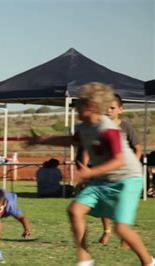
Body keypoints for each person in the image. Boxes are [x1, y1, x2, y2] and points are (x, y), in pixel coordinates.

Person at [27, 82, 153, 266]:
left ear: (91, 106)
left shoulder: (108, 129)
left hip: (127, 180)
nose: (75, 106)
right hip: (104, 179)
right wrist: (41, 140)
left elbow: (119, 160)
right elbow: (72, 140)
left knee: (121, 228)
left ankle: (148, 261)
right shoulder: (85, 127)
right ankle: (84, 257)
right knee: (75, 210)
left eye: (79, 103)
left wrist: (91, 171)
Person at [98, 93, 143, 246]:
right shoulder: (100, 127)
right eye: (106, 108)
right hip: (106, 172)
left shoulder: (126, 127)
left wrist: (132, 167)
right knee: (105, 202)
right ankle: (106, 231)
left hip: (125, 174)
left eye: (112, 107)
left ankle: (125, 235)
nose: (108, 110)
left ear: (120, 109)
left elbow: (137, 148)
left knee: (122, 204)